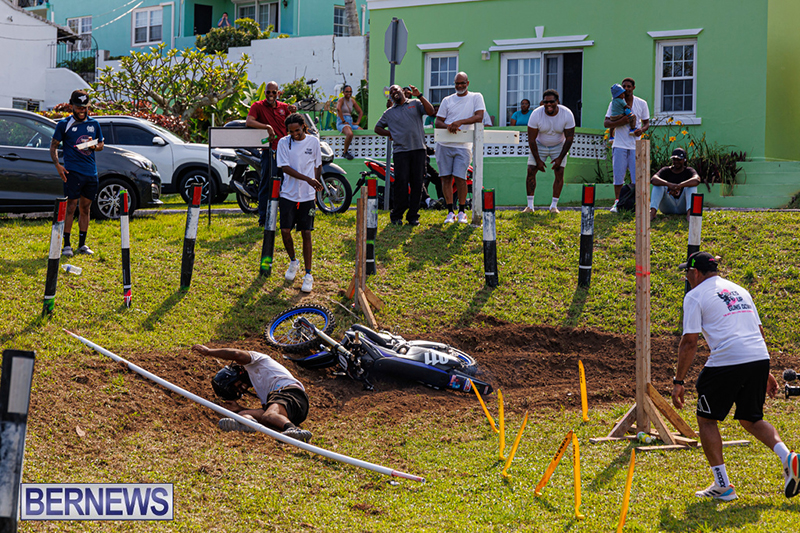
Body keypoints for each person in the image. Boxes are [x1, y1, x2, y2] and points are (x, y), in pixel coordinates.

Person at [672, 251, 800, 501]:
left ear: (695, 272)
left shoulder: (695, 296)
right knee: (751, 419)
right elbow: (758, 331)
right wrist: (765, 371)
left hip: (727, 360)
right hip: (758, 357)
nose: (686, 277)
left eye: (687, 272)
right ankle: (789, 458)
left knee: (706, 420)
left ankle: (723, 486)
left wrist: (678, 381)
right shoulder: (740, 290)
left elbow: (689, 342)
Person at [192, 344, 312, 442]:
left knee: (269, 415)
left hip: (291, 392)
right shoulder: (263, 391)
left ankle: (293, 430)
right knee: (245, 414)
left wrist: (209, 352)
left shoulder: (255, 361)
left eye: (236, 387)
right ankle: (246, 423)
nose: (241, 389)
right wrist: (239, 409)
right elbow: (265, 413)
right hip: (295, 411)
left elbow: (236, 354)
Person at [50, 90, 104, 256]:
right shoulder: (64, 124)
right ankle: (66, 245)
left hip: (91, 173)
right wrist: (58, 165)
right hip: (73, 172)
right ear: (71, 105)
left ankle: (82, 244)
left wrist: (93, 146)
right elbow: (53, 146)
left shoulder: (94, 124)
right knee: (70, 208)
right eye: (79, 107)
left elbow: (101, 145)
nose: (82, 110)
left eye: (85, 107)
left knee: (86, 208)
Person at [374, 84, 436, 226]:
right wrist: (391, 133)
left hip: (418, 150)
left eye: (396, 89)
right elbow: (377, 128)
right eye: (391, 92)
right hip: (401, 152)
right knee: (401, 184)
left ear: (402, 91)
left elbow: (431, 111)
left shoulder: (415, 103)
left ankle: (413, 216)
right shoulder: (389, 113)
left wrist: (419, 95)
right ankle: (397, 215)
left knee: (417, 184)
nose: (394, 92)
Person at [276, 113, 324, 293]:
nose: (294, 134)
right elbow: (285, 167)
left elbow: (318, 165)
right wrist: (308, 179)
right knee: (285, 231)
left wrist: (315, 185)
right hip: (288, 194)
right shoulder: (283, 143)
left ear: (304, 126)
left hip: (307, 196)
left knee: (306, 233)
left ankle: (308, 275)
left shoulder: (313, 142)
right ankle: (293, 261)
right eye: (291, 132)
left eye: (297, 130)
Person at [435, 72, 485, 224]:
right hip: (444, 144)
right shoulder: (447, 100)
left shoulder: (476, 97)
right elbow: (438, 121)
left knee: (460, 178)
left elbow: (479, 116)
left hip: (463, 146)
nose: (460, 86)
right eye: (457, 83)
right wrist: (449, 126)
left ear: (467, 83)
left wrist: (460, 122)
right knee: (446, 178)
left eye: (462, 83)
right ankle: (450, 212)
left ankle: (462, 212)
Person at [246, 81, 293, 227]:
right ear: (265, 93)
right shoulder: (258, 106)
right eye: (268, 92)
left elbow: (293, 125)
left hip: (285, 152)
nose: (271, 95)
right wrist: (267, 127)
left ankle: (286, 218)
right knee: (267, 184)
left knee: (286, 185)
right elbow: (249, 121)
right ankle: (263, 219)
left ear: (278, 93)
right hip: (269, 151)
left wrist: (293, 111)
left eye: (274, 92)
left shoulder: (284, 107)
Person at [524, 89, 575, 214]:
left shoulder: (567, 114)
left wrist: (560, 158)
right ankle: (530, 206)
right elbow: (531, 139)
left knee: (559, 172)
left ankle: (553, 206)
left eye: (551, 102)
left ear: (557, 101)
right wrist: (538, 160)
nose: (548, 105)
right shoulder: (536, 114)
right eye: (546, 102)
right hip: (539, 145)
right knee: (531, 170)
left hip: (559, 145)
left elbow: (569, 138)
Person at [605, 77, 649, 213]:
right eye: (624, 86)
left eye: (629, 86)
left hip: (636, 145)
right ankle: (617, 203)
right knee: (618, 176)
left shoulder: (641, 103)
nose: (626, 89)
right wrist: (622, 121)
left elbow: (646, 123)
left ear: (633, 88)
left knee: (637, 177)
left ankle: (638, 203)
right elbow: (606, 123)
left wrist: (641, 130)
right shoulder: (614, 103)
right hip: (619, 144)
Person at [650, 147, 700, 221]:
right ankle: (652, 213)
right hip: (667, 206)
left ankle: (690, 214)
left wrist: (680, 186)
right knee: (658, 185)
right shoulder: (666, 170)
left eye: (679, 159)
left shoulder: (689, 170)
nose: (676, 162)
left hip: (683, 207)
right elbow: (653, 179)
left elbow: (697, 180)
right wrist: (669, 185)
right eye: (674, 159)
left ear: (684, 160)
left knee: (691, 187)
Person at [336, 84, 363, 160]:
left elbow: (360, 112)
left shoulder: (352, 101)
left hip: (350, 122)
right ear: (343, 92)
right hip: (342, 122)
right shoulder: (341, 100)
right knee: (350, 134)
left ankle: (358, 150)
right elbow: (338, 109)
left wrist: (357, 122)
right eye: (347, 92)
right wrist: (343, 120)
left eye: (350, 92)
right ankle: (345, 152)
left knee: (362, 132)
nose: (349, 93)